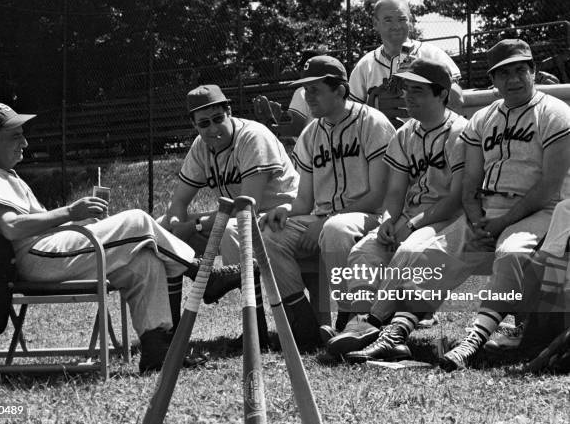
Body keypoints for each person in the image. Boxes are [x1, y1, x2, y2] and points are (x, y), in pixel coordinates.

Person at [0, 101, 239, 374]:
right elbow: (12, 227)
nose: (24, 142)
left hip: (46, 252)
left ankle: (157, 351)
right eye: (15, 135)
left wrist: (77, 220)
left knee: (144, 264)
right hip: (37, 259)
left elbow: (27, 225)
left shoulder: (2, 175)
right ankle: (205, 277)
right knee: (137, 221)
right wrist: (70, 211)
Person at [425, 38, 570, 371]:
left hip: (542, 210)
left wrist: (500, 225)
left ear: (534, 72)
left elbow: (548, 187)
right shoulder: (483, 118)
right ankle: (390, 331)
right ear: (493, 80)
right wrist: (477, 221)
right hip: (485, 212)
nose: (513, 80)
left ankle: (474, 339)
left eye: (521, 70)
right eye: (503, 74)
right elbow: (470, 181)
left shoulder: (556, 113)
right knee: (426, 251)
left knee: (511, 252)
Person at [323, 58, 468, 361]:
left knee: (409, 252)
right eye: (406, 89)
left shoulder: (460, 133)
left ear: (441, 94)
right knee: (365, 252)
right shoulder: (405, 134)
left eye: (418, 90)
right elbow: (395, 191)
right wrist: (389, 220)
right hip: (409, 217)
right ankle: (358, 327)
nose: (408, 96)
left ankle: (372, 326)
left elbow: (456, 199)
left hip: (447, 219)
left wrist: (411, 225)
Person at [259, 55, 396, 351]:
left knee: (335, 228)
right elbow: (304, 200)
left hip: (371, 218)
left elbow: (379, 195)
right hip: (323, 219)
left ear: (340, 90)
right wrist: (284, 210)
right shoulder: (311, 133)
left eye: (315, 90)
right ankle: (303, 324)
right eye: (305, 90)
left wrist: (322, 222)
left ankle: (350, 321)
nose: (307, 97)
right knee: (269, 234)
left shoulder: (372, 123)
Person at [159, 84, 299, 347]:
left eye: (217, 119)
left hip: (279, 215)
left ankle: (255, 330)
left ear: (229, 112)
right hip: (235, 216)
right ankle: (169, 332)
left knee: (236, 227)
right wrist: (177, 224)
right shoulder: (201, 146)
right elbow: (178, 201)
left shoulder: (252, 136)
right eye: (203, 123)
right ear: (194, 125)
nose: (212, 129)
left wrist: (195, 224)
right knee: (159, 230)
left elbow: (248, 205)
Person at [349, 0, 463, 115]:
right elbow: (351, 114)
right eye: (388, 20)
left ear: (410, 20)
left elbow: (457, 101)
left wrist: (426, 81)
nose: (396, 26)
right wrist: (374, 107)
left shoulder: (432, 55)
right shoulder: (365, 65)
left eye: (402, 19)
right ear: (375, 24)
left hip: (427, 131)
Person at [253, 48, 329, 139]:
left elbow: (296, 129)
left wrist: (270, 120)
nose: (300, 72)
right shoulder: (332, 90)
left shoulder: (302, 92)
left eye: (301, 68)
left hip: (313, 150)